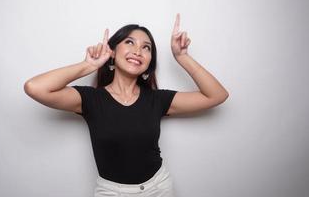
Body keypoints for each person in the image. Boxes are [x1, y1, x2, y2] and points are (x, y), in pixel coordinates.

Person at [24, 14, 229, 197]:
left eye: (146, 47)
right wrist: (89, 65)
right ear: (112, 52)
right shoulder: (90, 99)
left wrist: (182, 57)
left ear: (150, 61)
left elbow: (217, 95)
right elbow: (35, 87)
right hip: (112, 192)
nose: (138, 50)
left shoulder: (157, 100)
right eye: (129, 42)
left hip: (158, 188)